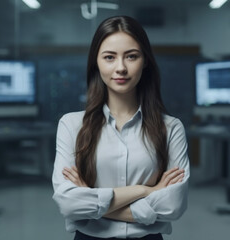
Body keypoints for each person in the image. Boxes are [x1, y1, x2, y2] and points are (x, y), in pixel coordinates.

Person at [52, 15, 190, 240]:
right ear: (96, 62)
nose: (121, 68)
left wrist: (90, 202)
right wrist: (146, 191)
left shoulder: (171, 128)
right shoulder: (71, 125)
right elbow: (68, 205)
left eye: (131, 56)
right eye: (109, 57)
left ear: (145, 60)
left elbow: (172, 206)